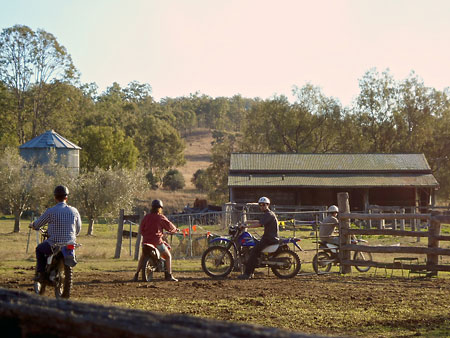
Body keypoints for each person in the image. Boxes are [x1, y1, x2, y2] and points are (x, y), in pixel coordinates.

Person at [29, 185, 82, 282]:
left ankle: (40, 274)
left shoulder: (51, 211)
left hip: (53, 244)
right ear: (66, 197)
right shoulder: (74, 211)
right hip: (69, 243)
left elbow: (38, 224)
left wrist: (33, 225)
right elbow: (78, 229)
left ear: (55, 197)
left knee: (39, 249)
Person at [133, 199, 179, 282]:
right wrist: (175, 230)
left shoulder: (146, 217)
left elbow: (141, 229)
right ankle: (169, 275)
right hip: (157, 242)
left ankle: (136, 275)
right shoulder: (161, 217)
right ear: (160, 208)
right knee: (168, 256)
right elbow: (170, 226)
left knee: (142, 257)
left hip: (146, 242)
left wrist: (146, 235)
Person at [238, 196, 279, 280]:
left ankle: (247, 274)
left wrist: (246, 226)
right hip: (268, 237)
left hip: (269, 238)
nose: (262, 206)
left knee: (254, 251)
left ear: (268, 205)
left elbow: (259, 224)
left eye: (264, 204)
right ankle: (251, 271)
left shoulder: (269, 214)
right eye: (260, 205)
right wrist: (247, 221)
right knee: (254, 248)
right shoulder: (268, 214)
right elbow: (259, 221)